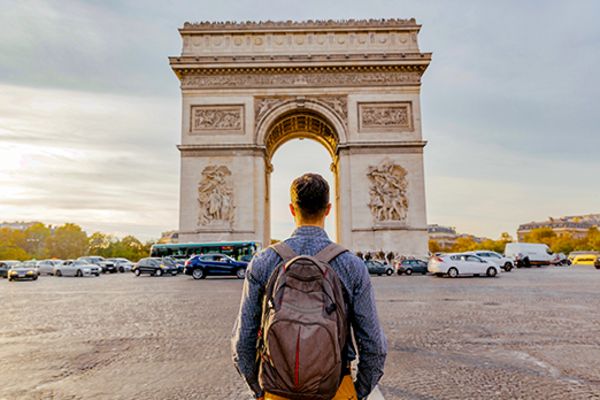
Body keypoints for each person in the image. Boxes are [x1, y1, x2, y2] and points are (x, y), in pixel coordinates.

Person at [232, 173, 387, 399]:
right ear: (328, 209)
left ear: (292, 209)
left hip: (277, 391)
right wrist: (358, 392)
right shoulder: (352, 265)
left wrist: (259, 390)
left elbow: (243, 342)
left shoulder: (263, 262)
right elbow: (374, 346)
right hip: (336, 389)